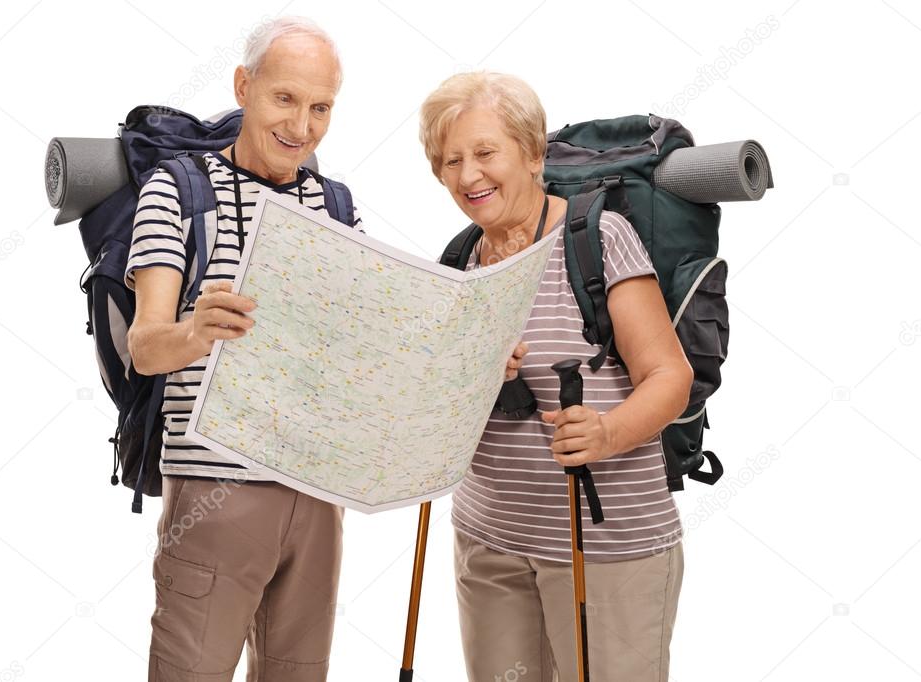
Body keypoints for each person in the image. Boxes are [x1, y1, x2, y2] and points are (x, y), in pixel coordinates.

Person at [419, 72, 693, 682]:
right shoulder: (458, 262)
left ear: (533, 153)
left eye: (486, 153)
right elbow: (440, 402)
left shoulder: (599, 237)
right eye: (451, 160)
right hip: (487, 541)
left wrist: (608, 433)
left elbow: (669, 375)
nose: (468, 177)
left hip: (606, 549)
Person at [125, 16, 362, 681]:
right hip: (214, 492)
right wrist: (195, 331)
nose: (303, 125)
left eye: (321, 107)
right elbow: (145, 347)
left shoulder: (336, 206)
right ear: (244, 86)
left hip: (317, 495)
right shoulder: (175, 189)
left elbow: (355, 350)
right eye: (285, 98)